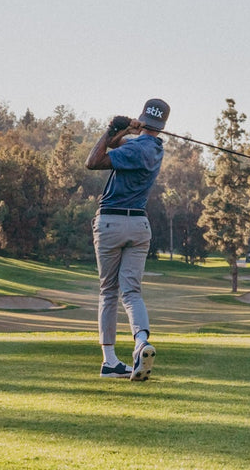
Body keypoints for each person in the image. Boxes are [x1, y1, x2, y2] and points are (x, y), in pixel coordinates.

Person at [85, 98, 170, 381]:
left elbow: (93, 161)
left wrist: (111, 129)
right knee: (132, 291)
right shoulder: (155, 149)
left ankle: (110, 361)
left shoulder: (135, 148)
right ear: (162, 126)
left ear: (143, 117)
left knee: (109, 291)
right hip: (139, 225)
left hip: (111, 222)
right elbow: (117, 146)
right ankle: (141, 341)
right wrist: (124, 132)